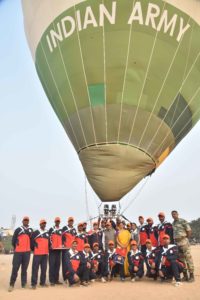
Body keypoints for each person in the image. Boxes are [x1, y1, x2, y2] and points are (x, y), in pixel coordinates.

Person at [8, 216, 33, 292]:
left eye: (27, 220)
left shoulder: (30, 230)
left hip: (27, 252)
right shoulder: (18, 230)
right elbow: (13, 240)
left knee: (24, 269)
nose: (26, 221)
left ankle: (24, 284)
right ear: (22, 221)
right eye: (25, 220)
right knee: (15, 268)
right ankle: (11, 285)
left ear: (28, 222)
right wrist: (17, 248)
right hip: (18, 252)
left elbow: (32, 241)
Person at [171, 210, 194, 282]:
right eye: (172, 214)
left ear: (177, 214)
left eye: (175, 214)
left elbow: (189, 230)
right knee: (181, 260)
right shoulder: (173, 223)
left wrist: (186, 238)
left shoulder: (182, 221)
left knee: (188, 258)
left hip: (184, 241)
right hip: (177, 243)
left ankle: (192, 276)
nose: (174, 215)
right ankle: (185, 276)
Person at [31, 219, 49, 289]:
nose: (43, 224)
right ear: (40, 224)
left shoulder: (47, 232)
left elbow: (49, 242)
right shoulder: (36, 232)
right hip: (37, 254)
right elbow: (31, 241)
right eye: (42, 223)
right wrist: (34, 248)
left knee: (44, 269)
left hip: (45, 254)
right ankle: (33, 284)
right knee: (35, 269)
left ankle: (42, 283)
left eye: (44, 223)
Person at [48, 217, 63, 286]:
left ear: (59, 222)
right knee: (52, 265)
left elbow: (63, 239)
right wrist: (50, 245)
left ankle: (56, 280)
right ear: (55, 222)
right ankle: (51, 281)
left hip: (59, 250)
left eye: (58, 221)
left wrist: (62, 245)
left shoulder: (61, 230)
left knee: (57, 265)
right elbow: (49, 238)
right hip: (52, 250)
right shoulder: (51, 229)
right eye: (56, 221)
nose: (57, 222)